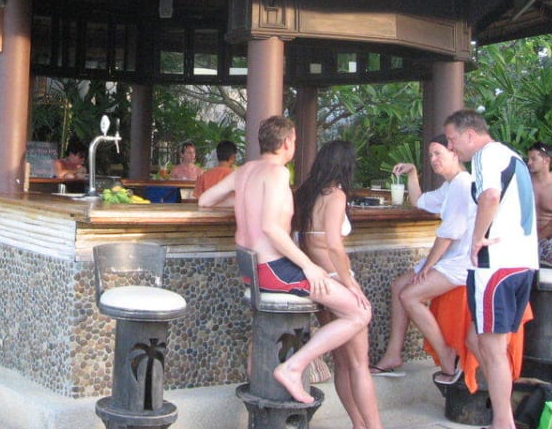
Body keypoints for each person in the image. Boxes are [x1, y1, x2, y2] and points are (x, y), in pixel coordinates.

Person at [199, 118, 377, 423]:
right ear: (286, 143)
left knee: (350, 310)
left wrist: (248, 201)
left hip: (251, 269)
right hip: (274, 269)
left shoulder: (245, 170)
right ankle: (293, 367)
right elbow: (271, 228)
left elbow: (205, 200)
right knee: (360, 312)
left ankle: (293, 369)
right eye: (294, 140)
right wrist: (310, 266)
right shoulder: (278, 172)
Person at [444, 110, 538, 429]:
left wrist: (477, 239)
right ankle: (505, 411)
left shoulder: (485, 155)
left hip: (495, 265)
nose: (451, 147)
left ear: (470, 134)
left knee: (493, 349)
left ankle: (502, 422)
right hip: (521, 263)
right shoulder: (513, 157)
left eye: (453, 140)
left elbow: (490, 196)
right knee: (476, 340)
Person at [291, 140, 384, 429]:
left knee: (343, 363)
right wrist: (350, 284)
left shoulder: (305, 194)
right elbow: (334, 244)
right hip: (334, 279)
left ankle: (358, 424)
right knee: (358, 364)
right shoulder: (336, 195)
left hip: (316, 282)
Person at [370, 135, 473, 382]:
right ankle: (393, 354)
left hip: (463, 263)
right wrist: (412, 173)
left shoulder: (462, 184)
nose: (433, 159)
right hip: (448, 259)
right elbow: (419, 201)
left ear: (455, 153)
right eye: (430, 155)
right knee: (399, 286)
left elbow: (448, 234)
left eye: (438, 154)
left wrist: (428, 266)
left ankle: (446, 355)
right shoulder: (450, 185)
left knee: (410, 295)